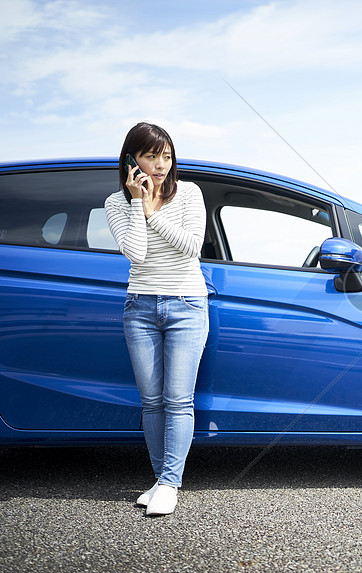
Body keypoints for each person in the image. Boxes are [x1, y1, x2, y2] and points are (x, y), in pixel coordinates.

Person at [105, 122, 209, 515]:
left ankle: (169, 483)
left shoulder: (190, 193)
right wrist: (137, 203)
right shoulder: (115, 204)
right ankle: (161, 479)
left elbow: (190, 248)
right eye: (151, 156)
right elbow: (137, 254)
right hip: (140, 308)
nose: (161, 164)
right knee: (151, 402)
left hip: (187, 305)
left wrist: (153, 213)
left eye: (166, 155)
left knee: (178, 400)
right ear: (131, 160)